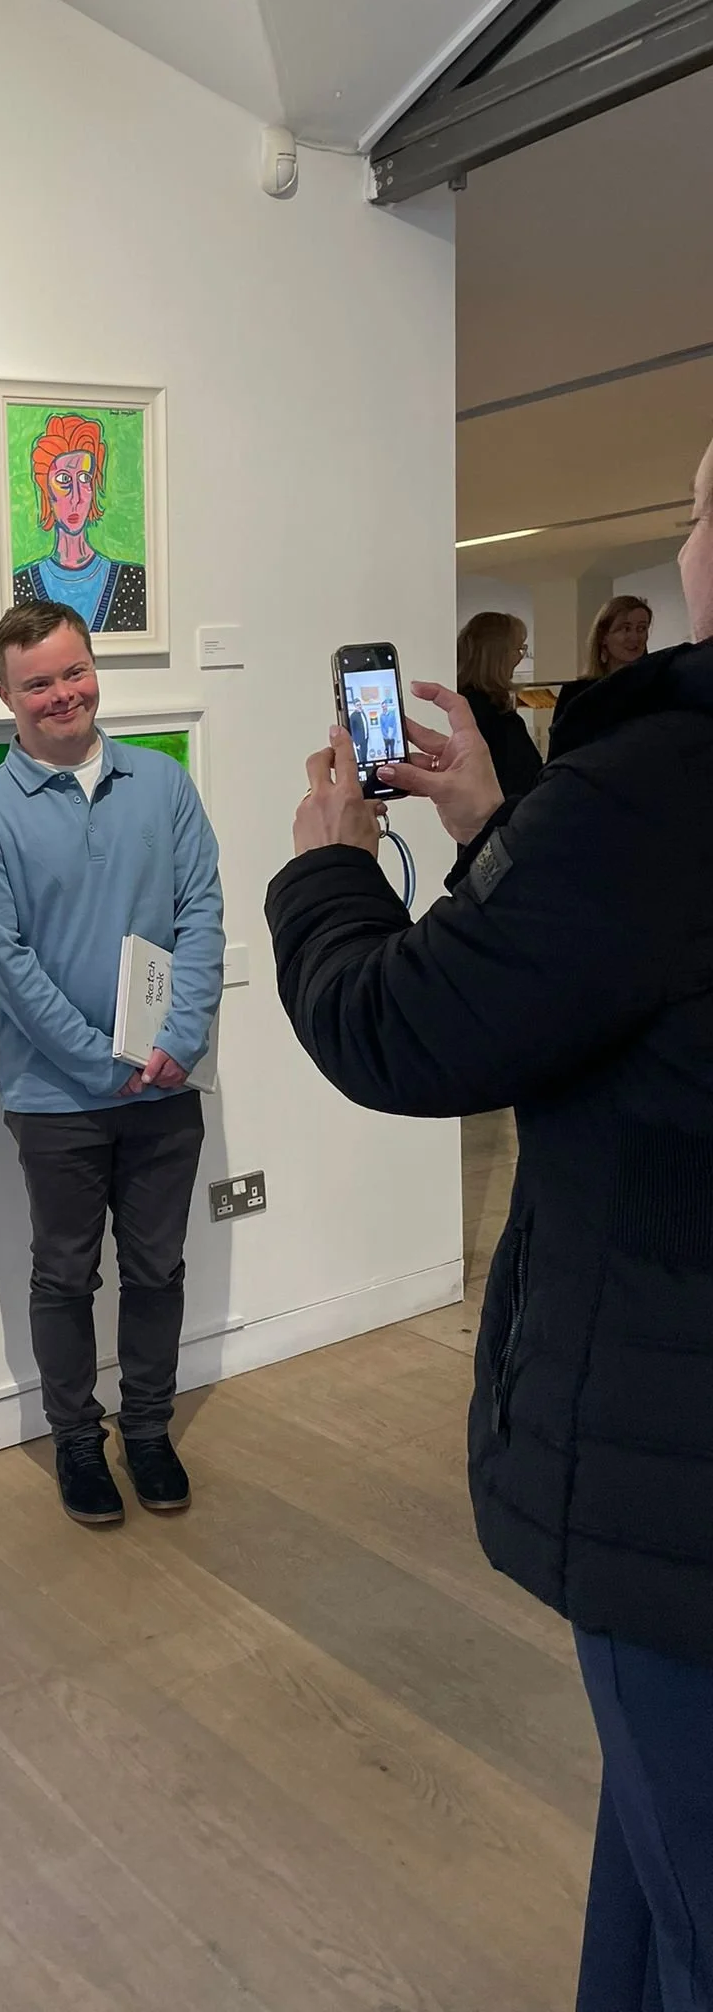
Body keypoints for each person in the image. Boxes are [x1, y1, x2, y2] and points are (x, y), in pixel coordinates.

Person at [264, 436, 713, 2011]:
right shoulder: (625, 804)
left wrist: (327, 873)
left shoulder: (661, 786)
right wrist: (501, 818)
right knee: (657, 1865)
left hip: (676, 1457)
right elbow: (622, 976)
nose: (683, 536)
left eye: (703, 509)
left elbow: (407, 1030)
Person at [0, 600, 224, 1526]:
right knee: (64, 1276)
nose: (61, 695)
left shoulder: (164, 785)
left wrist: (178, 1040)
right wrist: (107, 1064)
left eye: (73, 673)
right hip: (56, 1098)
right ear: (6, 695)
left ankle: (148, 1429)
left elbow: (201, 916)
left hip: (166, 1084)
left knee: (159, 1269)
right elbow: (8, 968)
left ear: (94, 669)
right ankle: (77, 1440)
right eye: (37, 683)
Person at [11, 413, 147, 632]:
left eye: (85, 478)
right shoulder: (21, 585)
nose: (77, 496)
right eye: (64, 480)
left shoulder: (133, 581)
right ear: (46, 490)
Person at [456, 609, 542, 799]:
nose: (519, 658)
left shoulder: (479, 705)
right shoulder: (483, 711)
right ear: (497, 654)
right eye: (517, 650)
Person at [552, 593, 653, 733]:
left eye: (641, 629)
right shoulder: (576, 693)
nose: (635, 637)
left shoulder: (657, 688)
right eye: (626, 629)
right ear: (603, 636)